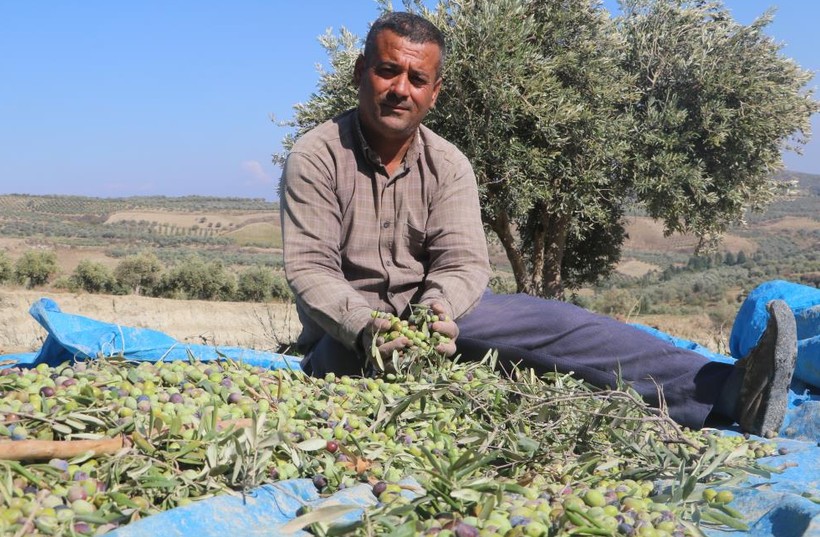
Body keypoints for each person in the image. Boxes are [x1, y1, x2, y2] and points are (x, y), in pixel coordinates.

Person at [280, 12, 798, 437]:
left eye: (417, 79)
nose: (401, 89)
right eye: (388, 71)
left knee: (557, 324)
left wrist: (437, 311)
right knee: (350, 371)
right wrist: (366, 328)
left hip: (436, 319)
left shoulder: (449, 164)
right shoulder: (318, 155)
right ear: (359, 72)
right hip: (350, 335)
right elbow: (311, 269)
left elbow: (462, 263)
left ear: (434, 92)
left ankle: (727, 390)